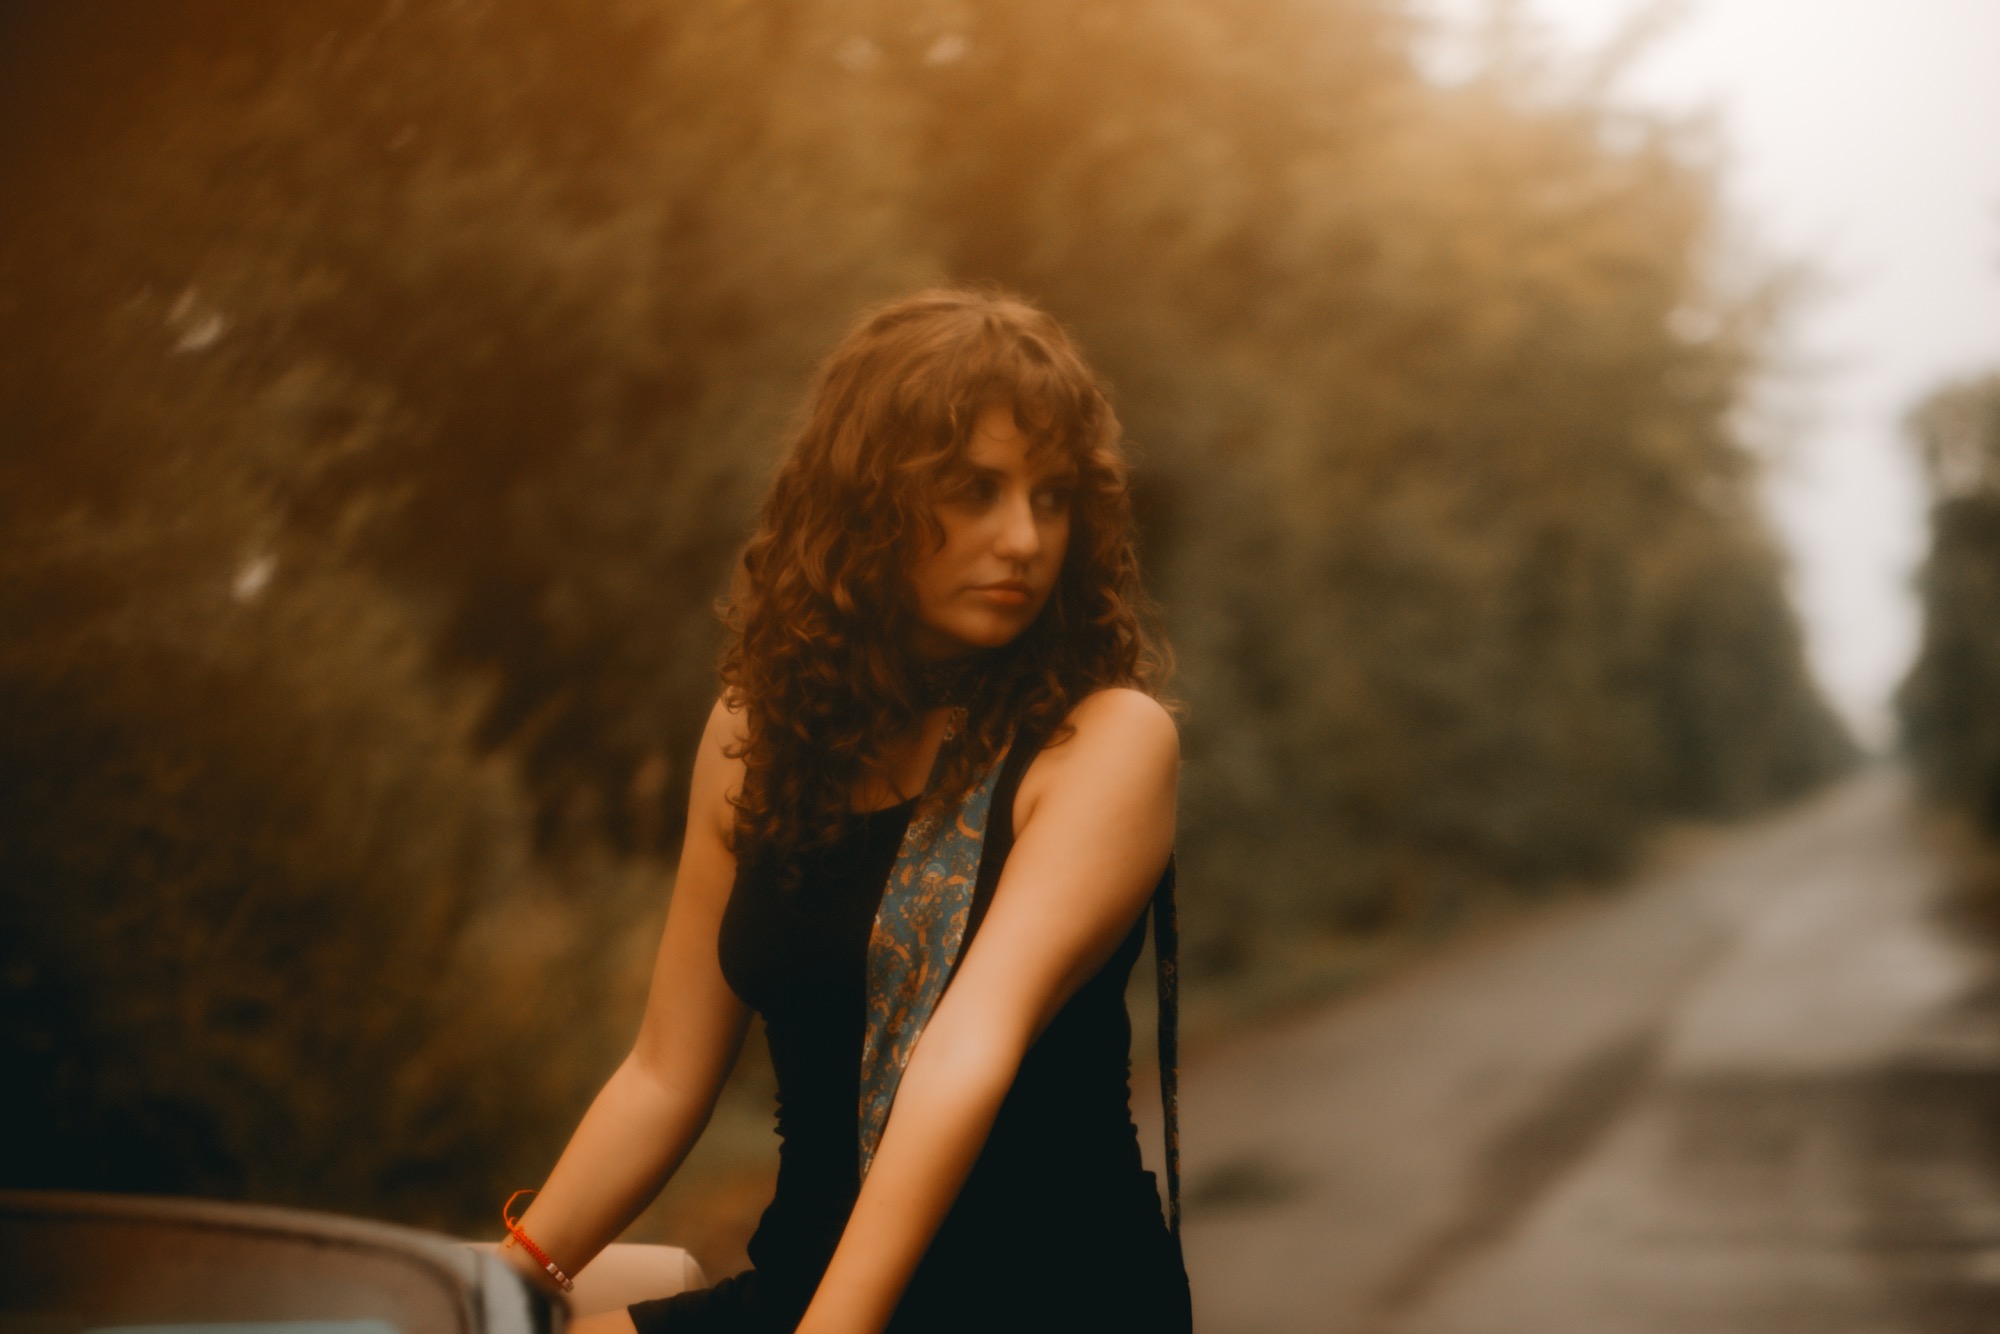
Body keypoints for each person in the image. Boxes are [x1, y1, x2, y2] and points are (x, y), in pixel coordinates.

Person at [500, 287, 1190, 1333]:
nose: (1023, 538)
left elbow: (964, 1049)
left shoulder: (1103, 741)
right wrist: (499, 1288)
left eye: (1051, 497)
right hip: (807, 1288)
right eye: (975, 489)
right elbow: (662, 1074)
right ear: (870, 500)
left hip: (1042, 1300)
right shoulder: (755, 736)